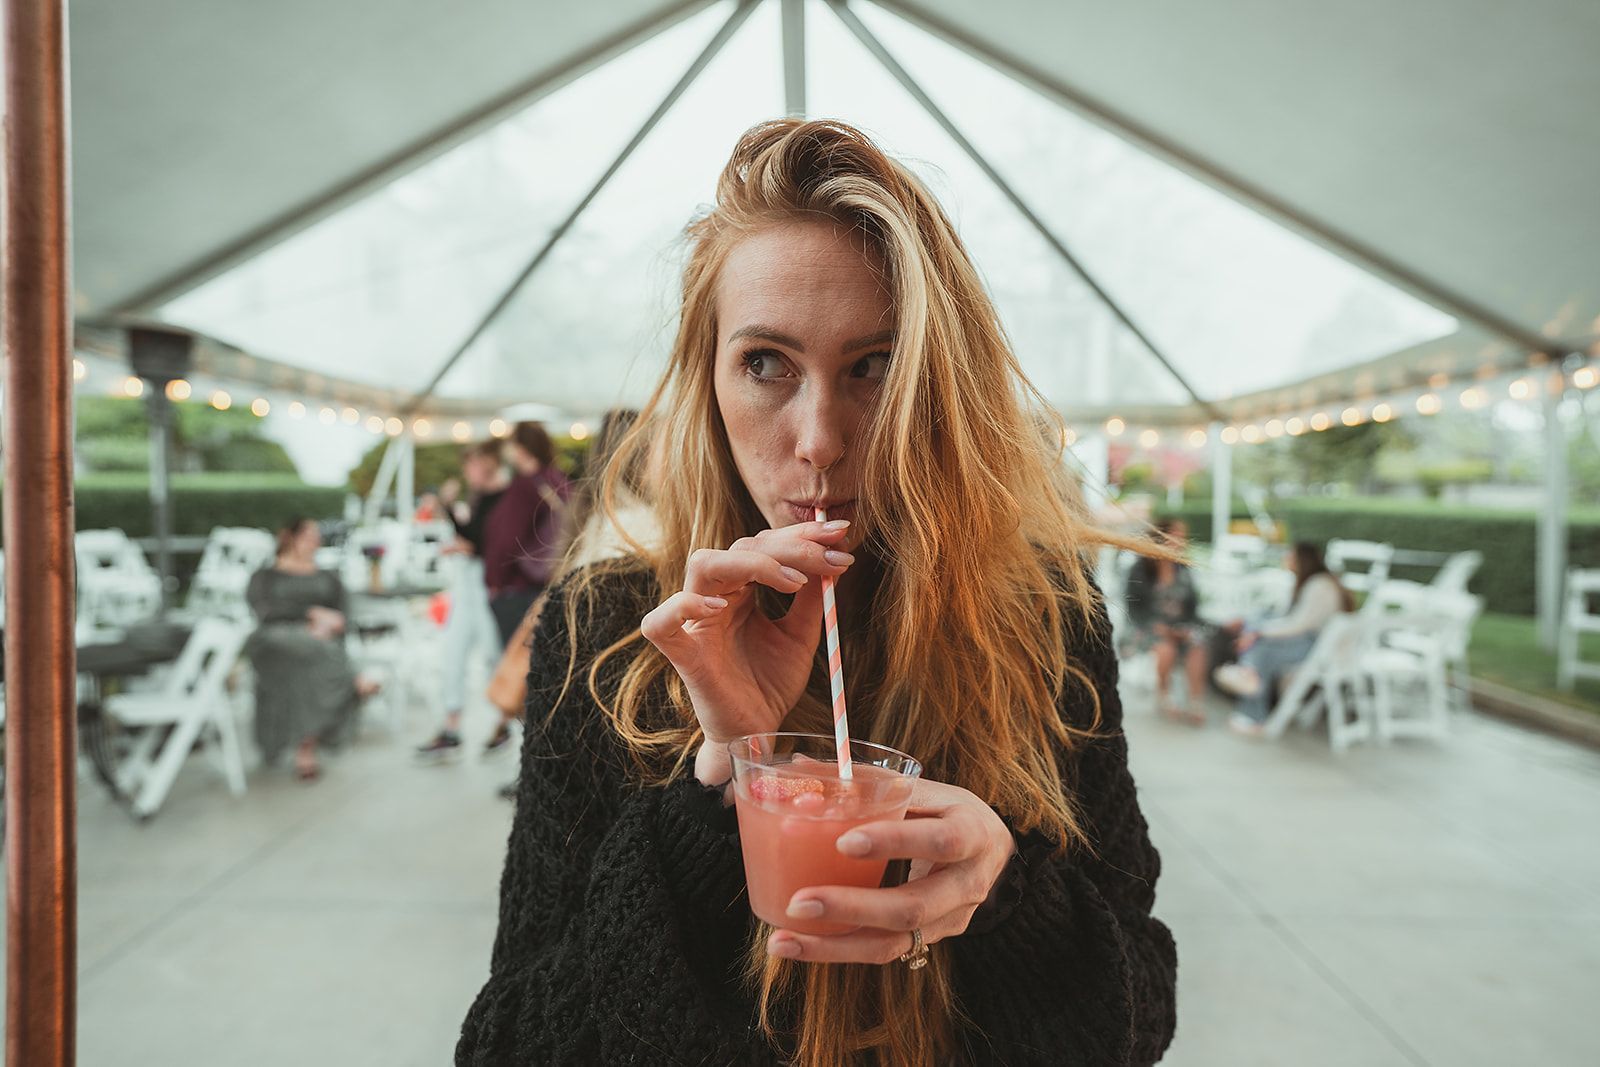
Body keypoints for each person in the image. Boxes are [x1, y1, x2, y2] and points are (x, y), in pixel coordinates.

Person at [457, 119, 1175, 1066]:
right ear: (706, 380)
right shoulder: (609, 629)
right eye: (766, 364)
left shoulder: (1044, 615)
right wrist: (718, 784)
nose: (819, 439)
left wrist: (1005, 892)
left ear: (935, 384)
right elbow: (510, 1044)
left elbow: (1140, 1016)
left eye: (872, 367)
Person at [483, 408, 660, 799]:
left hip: (573, 667)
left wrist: (495, 582)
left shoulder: (592, 510)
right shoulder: (643, 528)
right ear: (641, 452)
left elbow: (500, 542)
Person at [244, 517, 378, 780]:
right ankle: (354, 679)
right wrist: (311, 615)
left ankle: (306, 747)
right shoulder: (265, 576)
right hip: (275, 640)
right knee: (318, 652)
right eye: (309, 536)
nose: (315, 541)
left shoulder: (328, 577)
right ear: (291, 538)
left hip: (319, 645)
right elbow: (264, 610)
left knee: (314, 663)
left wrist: (331, 624)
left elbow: (344, 616)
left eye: (317, 536)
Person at [416, 440, 514, 761]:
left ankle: (502, 721)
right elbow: (473, 537)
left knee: (492, 655)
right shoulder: (482, 497)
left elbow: (488, 544)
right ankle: (452, 725)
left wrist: (460, 537)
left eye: (471, 464)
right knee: (453, 650)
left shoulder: (505, 497)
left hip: (489, 585)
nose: (467, 471)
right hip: (469, 583)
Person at [1215, 541, 1355, 736]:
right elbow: (1285, 618)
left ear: (1301, 559)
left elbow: (1299, 625)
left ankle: (1253, 708)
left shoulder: (1319, 585)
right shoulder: (1309, 582)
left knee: (1261, 651)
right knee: (1258, 641)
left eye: (1289, 555)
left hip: (1317, 647)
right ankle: (1249, 679)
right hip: (1310, 642)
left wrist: (1258, 633)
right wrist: (1253, 626)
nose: (1285, 559)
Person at [480, 421, 572, 647]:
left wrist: (494, 582)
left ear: (520, 448)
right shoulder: (557, 480)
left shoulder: (525, 486)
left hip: (519, 589)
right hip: (554, 581)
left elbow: (506, 539)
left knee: (517, 667)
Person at [1122, 518, 1209, 725]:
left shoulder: (1184, 570)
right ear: (1161, 537)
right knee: (1165, 649)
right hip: (1145, 627)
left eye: (1182, 537)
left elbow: (1193, 609)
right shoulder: (1140, 568)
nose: (1181, 541)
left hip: (1178, 627)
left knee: (1197, 646)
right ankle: (1164, 694)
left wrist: (1186, 628)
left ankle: (1195, 701)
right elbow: (1132, 609)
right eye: (1176, 535)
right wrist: (1156, 626)